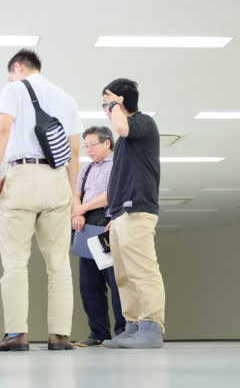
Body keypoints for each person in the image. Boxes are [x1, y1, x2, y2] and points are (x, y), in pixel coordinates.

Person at [0, 49, 84, 351]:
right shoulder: (67, 99)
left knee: (15, 264)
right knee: (59, 266)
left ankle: (16, 334)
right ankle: (59, 336)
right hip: (57, 182)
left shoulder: (14, 88)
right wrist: (71, 196)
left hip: (23, 177)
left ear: (17, 68)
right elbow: (75, 153)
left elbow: (3, 128)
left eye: (11, 73)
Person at [101, 78, 165, 349]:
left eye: (107, 104)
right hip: (119, 215)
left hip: (137, 210)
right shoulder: (127, 141)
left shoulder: (143, 123)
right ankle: (133, 326)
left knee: (143, 270)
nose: (105, 109)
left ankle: (152, 327)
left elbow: (119, 125)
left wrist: (115, 104)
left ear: (120, 102)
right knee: (123, 275)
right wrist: (112, 216)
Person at [71, 126, 125, 347]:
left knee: (115, 281)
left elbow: (111, 194)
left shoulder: (118, 165)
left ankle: (123, 330)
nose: (88, 149)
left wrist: (82, 208)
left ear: (107, 143)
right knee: (89, 285)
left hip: (105, 226)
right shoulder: (85, 170)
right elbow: (76, 193)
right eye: (86, 146)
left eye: (93, 145)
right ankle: (98, 333)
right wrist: (78, 211)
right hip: (85, 228)